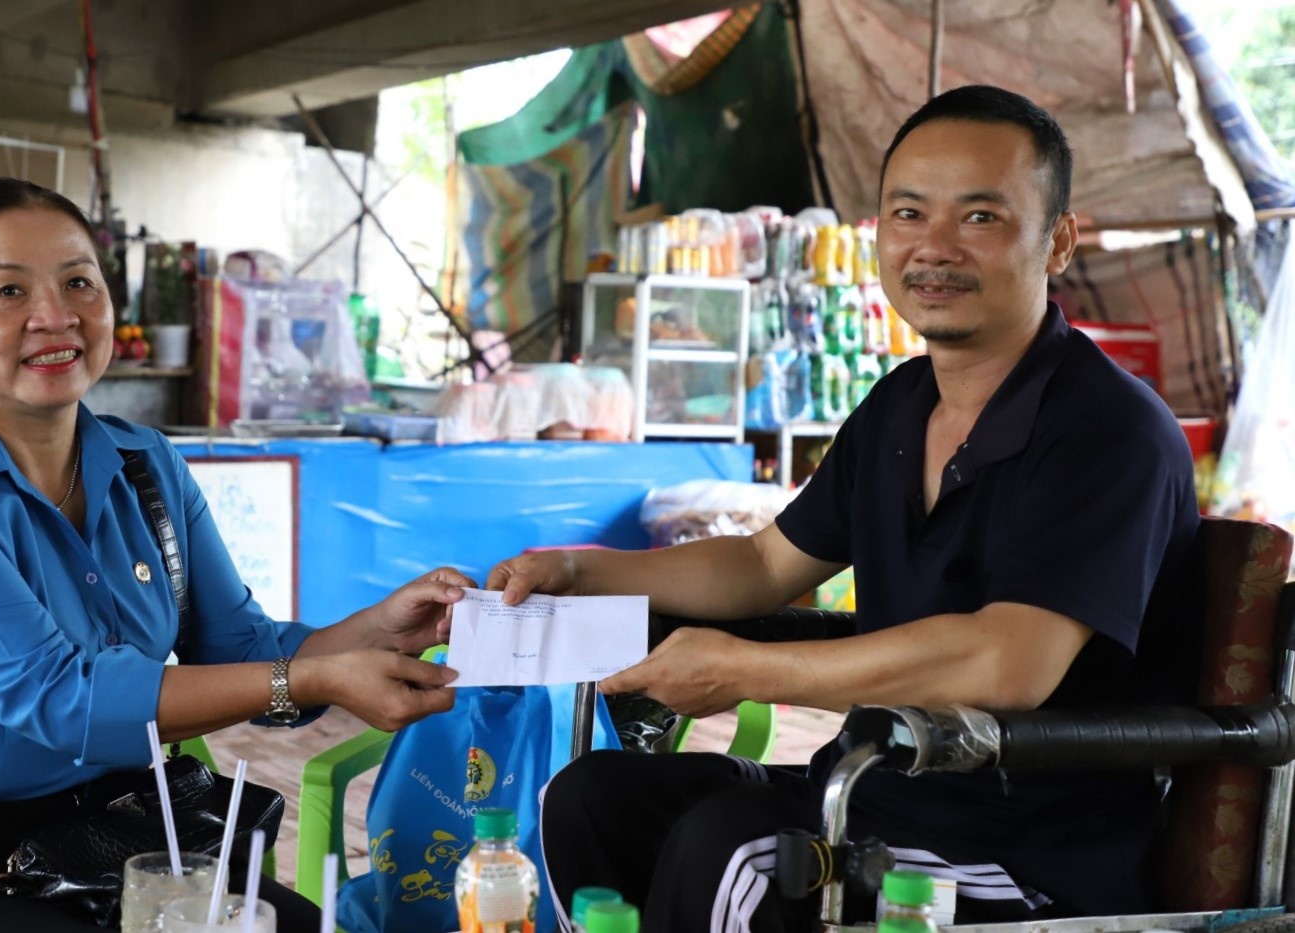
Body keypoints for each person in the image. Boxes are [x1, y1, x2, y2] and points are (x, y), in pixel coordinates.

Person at [490, 85, 1199, 932]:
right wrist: (579, 568)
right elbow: (761, 565)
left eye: (979, 217)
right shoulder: (900, 405)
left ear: (1057, 243)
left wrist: (745, 672)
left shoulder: (1108, 429)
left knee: (737, 851)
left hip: (1027, 851)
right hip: (874, 791)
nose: (932, 248)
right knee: (593, 795)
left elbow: (1007, 663)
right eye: (907, 213)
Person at [0, 178, 467, 933]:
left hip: (120, 834)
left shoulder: (144, 464)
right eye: (6, 292)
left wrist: (378, 630)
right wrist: (313, 674)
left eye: (78, 282)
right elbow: (59, 700)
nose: (55, 316)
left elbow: (248, 652)